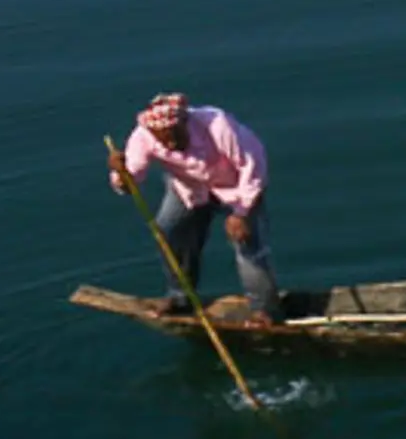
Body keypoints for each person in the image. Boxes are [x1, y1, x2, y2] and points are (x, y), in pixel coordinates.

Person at [107, 92, 282, 323]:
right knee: (168, 231)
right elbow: (132, 181)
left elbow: (253, 167)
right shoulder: (143, 137)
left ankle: (264, 310)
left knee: (247, 243)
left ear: (184, 122)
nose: (170, 143)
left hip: (236, 188)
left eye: (175, 135)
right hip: (189, 189)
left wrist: (241, 213)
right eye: (162, 139)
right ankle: (180, 297)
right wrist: (121, 173)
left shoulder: (218, 126)